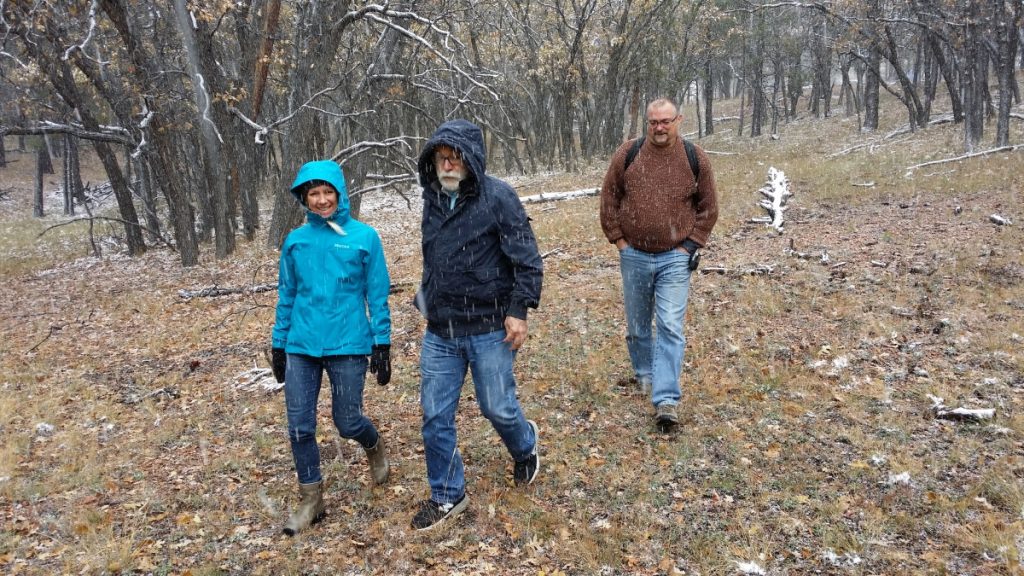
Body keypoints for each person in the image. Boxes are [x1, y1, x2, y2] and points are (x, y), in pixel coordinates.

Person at [409, 119, 544, 531]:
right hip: (441, 329)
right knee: (435, 416)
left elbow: (527, 259)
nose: (447, 165)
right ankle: (448, 494)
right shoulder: (432, 197)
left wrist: (519, 310)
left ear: (471, 160)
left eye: (455, 158)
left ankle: (525, 445)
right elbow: (434, 257)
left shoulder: (498, 197)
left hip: (489, 325)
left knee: (497, 408)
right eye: (441, 158)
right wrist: (427, 298)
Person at [270, 160, 393, 536]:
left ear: (340, 194)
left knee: (347, 421)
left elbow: (377, 293)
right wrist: (279, 343)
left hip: (348, 343)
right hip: (302, 346)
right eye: (313, 194)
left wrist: (382, 342)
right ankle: (312, 499)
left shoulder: (363, 237)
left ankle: (373, 445)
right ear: (304, 199)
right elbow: (287, 294)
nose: (322, 200)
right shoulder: (295, 241)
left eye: (328, 192)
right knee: (299, 427)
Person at [599, 98, 719, 429]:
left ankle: (666, 399)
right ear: (647, 124)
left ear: (678, 120)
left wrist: (690, 245)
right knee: (638, 327)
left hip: (674, 258)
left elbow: (708, 207)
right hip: (634, 255)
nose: (659, 128)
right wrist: (619, 241)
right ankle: (644, 374)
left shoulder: (694, 158)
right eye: (653, 122)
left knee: (669, 325)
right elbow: (609, 197)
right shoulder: (628, 154)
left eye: (666, 121)